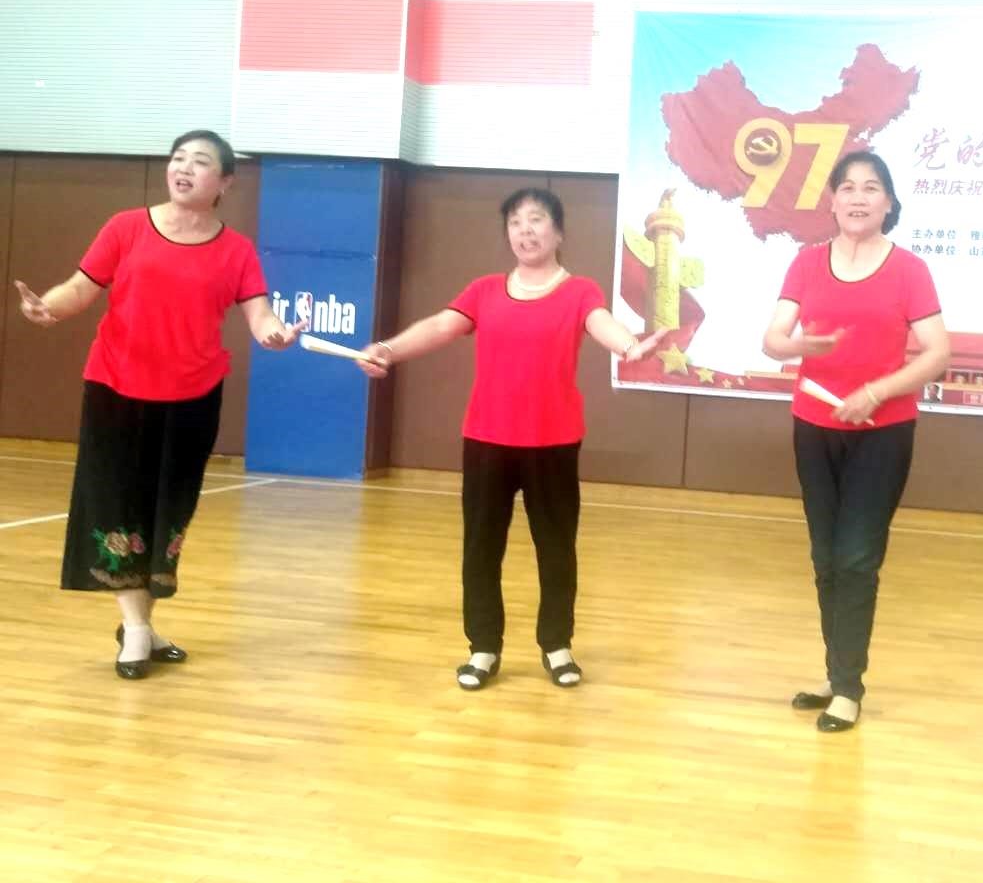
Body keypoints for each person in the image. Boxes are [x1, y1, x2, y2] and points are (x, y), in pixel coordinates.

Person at [13, 130, 304, 679]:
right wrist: (48, 307)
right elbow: (81, 286)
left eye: (200, 162)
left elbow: (259, 313)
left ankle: (141, 626)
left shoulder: (237, 251)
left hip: (192, 399)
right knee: (118, 507)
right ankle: (136, 630)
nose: (184, 168)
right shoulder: (125, 227)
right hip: (116, 389)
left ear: (224, 182)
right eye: (178, 158)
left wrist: (275, 334)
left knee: (166, 513)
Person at [357, 188, 659, 691]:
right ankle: (483, 648)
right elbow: (440, 326)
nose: (525, 231)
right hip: (487, 440)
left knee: (556, 549)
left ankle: (557, 645)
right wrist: (388, 349)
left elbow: (602, 323)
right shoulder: (484, 291)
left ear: (558, 233)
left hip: (553, 443)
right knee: (480, 548)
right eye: (515, 222)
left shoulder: (579, 291)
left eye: (536, 220)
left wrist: (630, 346)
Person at [761, 151, 951, 732]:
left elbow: (938, 354)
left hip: (882, 434)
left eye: (871, 188)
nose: (858, 197)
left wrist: (876, 392)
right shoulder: (806, 263)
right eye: (847, 187)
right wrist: (799, 347)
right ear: (833, 201)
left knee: (857, 557)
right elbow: (773, 339)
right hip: (814, 426)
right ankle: (836, 670)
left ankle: (849, 687)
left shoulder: (909, 270)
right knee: (825, 558)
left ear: (888, 203)